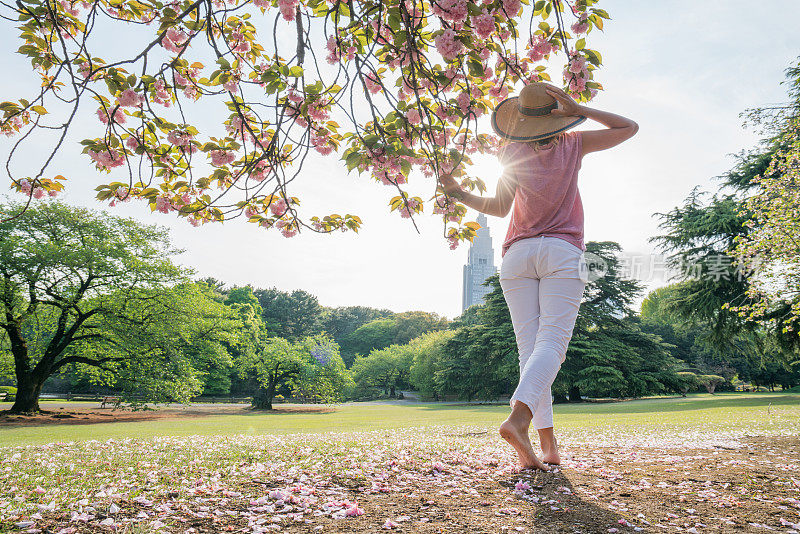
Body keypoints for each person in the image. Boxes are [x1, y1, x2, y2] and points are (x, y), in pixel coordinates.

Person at [439, 82, 638, 470]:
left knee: (530, 352)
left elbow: (498, 208)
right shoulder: (574, 143)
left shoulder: (511, 150)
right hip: (562, 251)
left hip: (517, 255)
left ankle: (547, 448)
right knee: (552, 345)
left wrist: (458, 192)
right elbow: (627, 128)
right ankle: (518, 419)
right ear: (558, 116)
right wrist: (580, 108)